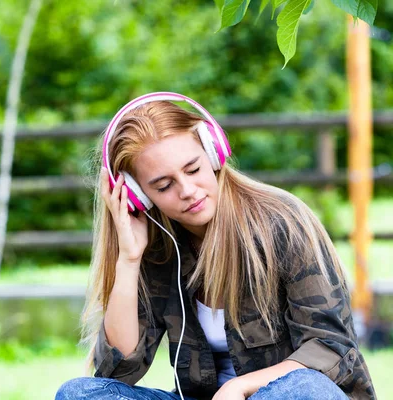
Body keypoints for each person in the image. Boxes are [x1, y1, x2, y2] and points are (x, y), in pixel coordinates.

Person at [55, 93, 375, 400]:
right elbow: (121, 370)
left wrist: (240, 388)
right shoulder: (158, 246)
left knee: (306, 389)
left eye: (193, 169)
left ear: (213, 152)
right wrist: (128, 258)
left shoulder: (282, 222)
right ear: (139, 194)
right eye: (164, 185)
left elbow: (331, 348)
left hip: (289, 394)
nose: (188, 190)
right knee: (78, 394)